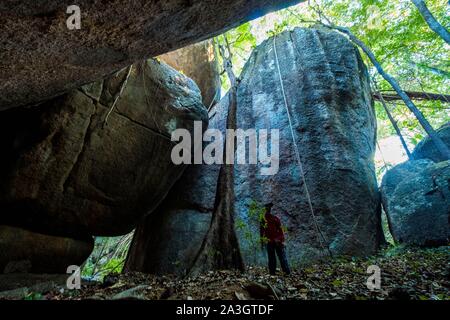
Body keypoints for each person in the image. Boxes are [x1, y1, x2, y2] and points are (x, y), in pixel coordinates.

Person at [260, 202, 291, 275]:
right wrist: (262, 241)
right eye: (266, 207)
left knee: (282, 257)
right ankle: (272, 273)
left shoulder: (275, 218)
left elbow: (280, 230)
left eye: (269, 207)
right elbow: (261, 231)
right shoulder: (263, 219)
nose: (268, 208)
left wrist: (281, 240)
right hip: (269, 241)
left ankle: (287, 272)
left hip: (278, 241)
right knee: (271, 258)